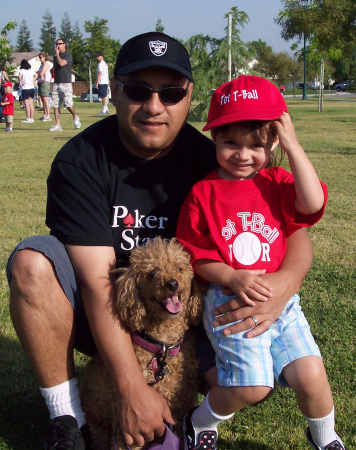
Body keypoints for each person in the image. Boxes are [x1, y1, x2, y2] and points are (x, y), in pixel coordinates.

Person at [7, 32, 314, 450]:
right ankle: (68, 418)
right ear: (113, 91)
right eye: (138, 90)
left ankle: (187, 408)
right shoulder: (81, 162)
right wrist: (132, 388)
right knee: (32, 262)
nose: (154, 106)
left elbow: (294, 230)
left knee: (243, 381)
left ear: (189, 97)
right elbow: (100, 287)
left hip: (188, 315)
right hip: (109, 311)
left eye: (170, 93)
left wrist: (284, 286)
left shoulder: (219, 158)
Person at [177, 75, 345, 450]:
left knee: (312, 374)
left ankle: (325, 438)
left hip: (283, 301)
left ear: (272, 142)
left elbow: (313, 203)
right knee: (252, 388)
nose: (242, 154)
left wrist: (292, 144)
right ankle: (199, 420)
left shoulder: (277, 181)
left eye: (256, 144)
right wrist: (232, 276)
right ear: (215, 138)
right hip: (229, 299)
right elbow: (198, 255)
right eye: (229, 142)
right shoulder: (204, 192)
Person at [49, 39, 81, 132]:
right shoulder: (56, 56)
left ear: (64, 45)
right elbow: (56, 66)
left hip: (66, 83)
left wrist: (57, 55)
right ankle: (58, 125)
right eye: (57, 44)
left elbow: (62, 63)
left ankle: (75, 116)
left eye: (60, 44)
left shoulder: (68, 55)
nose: (58, 45)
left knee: (68, 104)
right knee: (55, 105)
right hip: (56, 82)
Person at [18, 59, 38, 124]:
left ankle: (28, 118)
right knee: (31, 104)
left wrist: (20, 82)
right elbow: (36, 75)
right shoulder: (31, 70)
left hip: (25, 88)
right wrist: (32, 80)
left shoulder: (22, 70)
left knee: (26, 104)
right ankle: (31, 118)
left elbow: (19, 76)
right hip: (32, 88)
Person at [37, 52, 52, 121]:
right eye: (39, 57)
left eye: (41, 57)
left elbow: (41, 73)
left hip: (45, 82)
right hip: (40, 82)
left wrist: (38, 74)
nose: (40, 59)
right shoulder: (41, 65)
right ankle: (45, 114)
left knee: (45, 100)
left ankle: (48, 115)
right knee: (43, 100)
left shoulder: (46, 64)